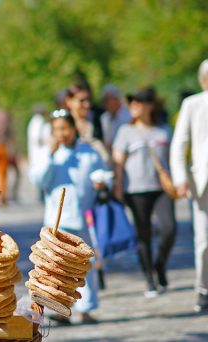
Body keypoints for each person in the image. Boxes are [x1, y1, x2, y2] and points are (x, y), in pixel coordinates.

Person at [30, 110, 107, 324]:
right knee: (57, 268)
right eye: (56, 130)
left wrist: (102, 182)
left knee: (84, 264)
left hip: (84, 216)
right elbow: (38, 180)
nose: (61, 133)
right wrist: (50, 155)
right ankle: (59, 307)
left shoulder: (88, 152)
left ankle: (87, 308)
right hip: (57, 219)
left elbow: (103, 172)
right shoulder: (48, 154)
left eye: (64, 128)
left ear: (74, 129)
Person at [112, 88, 177, 298]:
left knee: (169, 228)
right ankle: (149, 279)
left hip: (161, 189)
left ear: (150, 105)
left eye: (138, 102)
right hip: (136, 190)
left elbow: (174, 159)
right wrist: (118, 190)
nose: (134, 106)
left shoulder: (164, 130)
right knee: (143, 234)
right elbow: (118, 163)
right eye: (132, 103)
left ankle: (160, 265)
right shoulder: (125, 132)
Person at [170, 59, 208, 313]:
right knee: (204, 240)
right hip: (202, 182)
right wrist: (180, 177)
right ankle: (203, 288)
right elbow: (179, 144)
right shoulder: (192, 104)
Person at [64, 83, 110, 164]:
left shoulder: (98, 121)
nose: (87, 105)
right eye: (82, 101)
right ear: (69, 101)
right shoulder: (62, 126)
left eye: (88, 100)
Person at [100, 84, 132, 149]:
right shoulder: (104, 118)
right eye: (104, 100)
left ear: (117, 100)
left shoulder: (129, 116)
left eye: (107, 100)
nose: (104, 103)